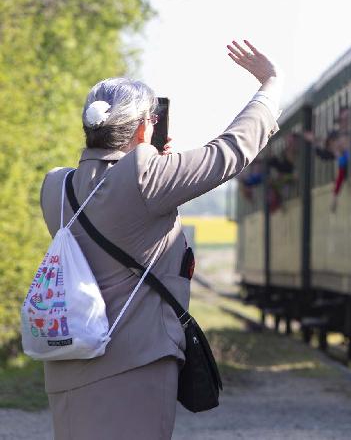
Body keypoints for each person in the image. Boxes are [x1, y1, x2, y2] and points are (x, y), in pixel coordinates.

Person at [38, 40, 280, 440]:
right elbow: (230, 151)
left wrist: (148, 160)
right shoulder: (145, 179)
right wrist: (270, 84)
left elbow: (111, 198)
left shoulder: (56, 187)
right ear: (142, 128)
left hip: (66, 362)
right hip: (134, 365)